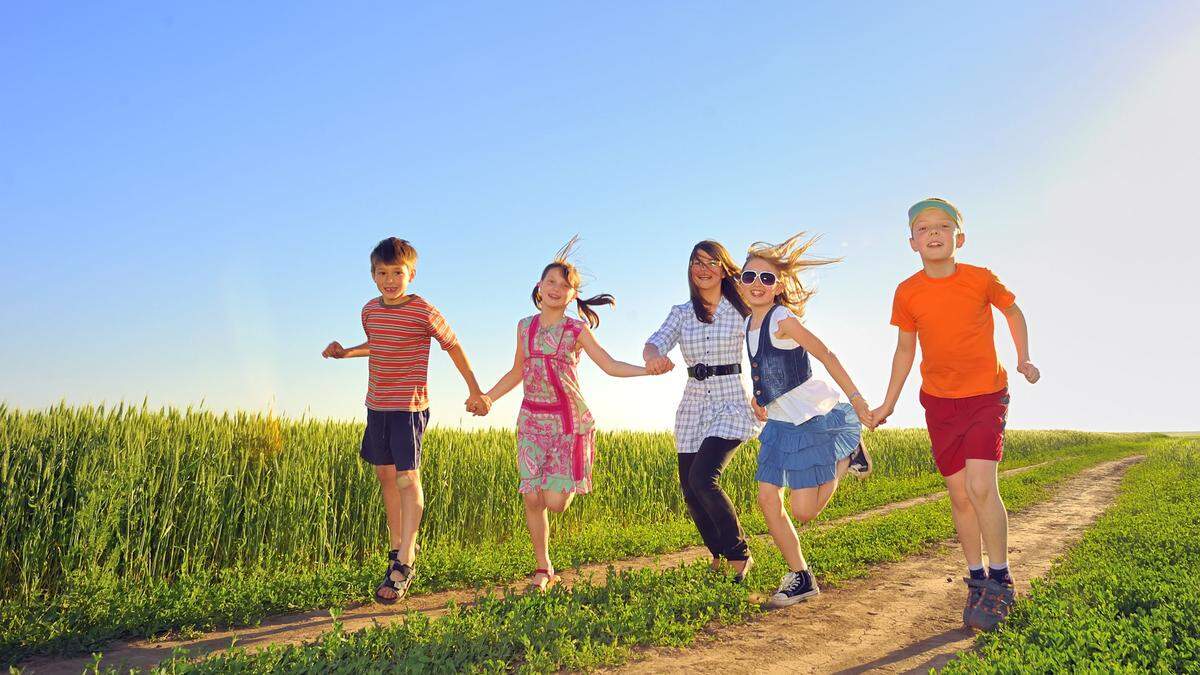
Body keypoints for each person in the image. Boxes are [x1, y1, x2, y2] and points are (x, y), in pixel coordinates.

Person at [871, 197, 1041, 630]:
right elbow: (905, 349)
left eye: (943, 227)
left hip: (987, 395)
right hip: (939, 402)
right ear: (911, 241)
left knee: (982, 485)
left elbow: (1013, 310)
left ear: (958, 237)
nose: (933, 233)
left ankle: (1002, 581)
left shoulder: (981, 279)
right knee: (961, 495)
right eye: (923, 228)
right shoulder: (907, 291)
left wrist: (1023, 358)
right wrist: (888, 402)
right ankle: (976, 579)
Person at [478, 237, 659, 591]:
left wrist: (644, 370)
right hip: (531, 419)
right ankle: (543, 569)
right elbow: (517, 371)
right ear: (539, 288)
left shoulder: (576, 330)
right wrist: (488, 397)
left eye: (565, 285)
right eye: (551, 282)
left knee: (555, 503)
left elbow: (608, 365)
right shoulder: (524, 327)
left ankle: (574, 474)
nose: (556, 289)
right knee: (531, 496)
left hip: (568, 424)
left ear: (573, 295)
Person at [322, 237, 489, 603]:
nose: (390, 280)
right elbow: (377, 345)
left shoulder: (423, 311)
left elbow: (454, 346)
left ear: (411, 273)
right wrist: (345, 352)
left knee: (406, 477)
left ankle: (406, 559)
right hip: (376, 405)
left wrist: (476, 390)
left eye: (397, 272)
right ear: (373, 276)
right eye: (382, 273)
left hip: (409, 408)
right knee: (385, 475)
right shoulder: (369, 310)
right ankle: (395, 548)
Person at [741, 233, 876, 608]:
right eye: (749, 277)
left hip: (811, 419)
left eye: (766, 278)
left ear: (777, 286)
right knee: (768, 498)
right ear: (739, 283)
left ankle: (847, 452)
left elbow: (826, 354)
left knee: (804, 511)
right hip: (780, 425)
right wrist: (759, 399)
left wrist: (857, 399)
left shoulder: (783, 318)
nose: (757, 285)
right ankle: (800, 577)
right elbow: (763, 370)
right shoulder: (747, 327)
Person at [643, 240, 757, 581]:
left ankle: (739, 554)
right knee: (690, 491)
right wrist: (653, 357)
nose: (703, 268)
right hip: (692, 404)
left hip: (730, 402)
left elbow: (762, 348)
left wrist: (765, 391)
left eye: (711, 262)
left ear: (724, 269)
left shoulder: (742, 309)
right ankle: (718, 555)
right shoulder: (681, 312)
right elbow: (655, 341)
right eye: (697, 262)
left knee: (703, 479)